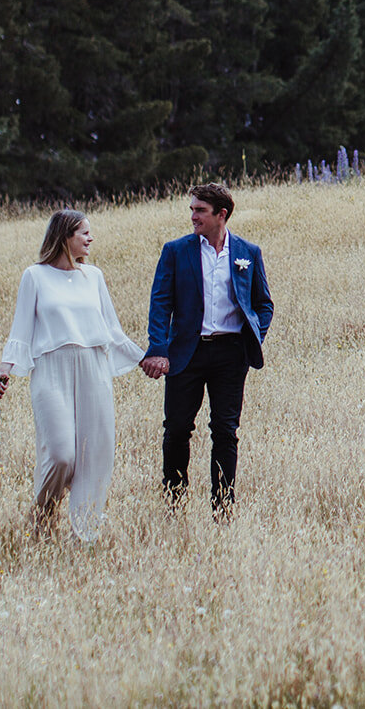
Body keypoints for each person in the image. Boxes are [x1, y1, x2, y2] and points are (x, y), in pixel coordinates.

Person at [0, 209, 146, 541]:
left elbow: (112, 331)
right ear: (64, 236)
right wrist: (5, 368)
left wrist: (146, 359)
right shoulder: (34, 276)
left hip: (93, 368)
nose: (90, 238)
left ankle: (84, 534)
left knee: (93, 455)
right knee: (61, 454)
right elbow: (20, 329)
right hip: (51, 369)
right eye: (84, 233)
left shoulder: (95, 277)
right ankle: (42, 520)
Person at [139, 183, 273, 515]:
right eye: (192, 209)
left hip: (231, 355)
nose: (193, 216)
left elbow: (264, 304)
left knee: (226, 431)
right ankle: (174, 503)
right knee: (177, 429)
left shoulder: (247, 253)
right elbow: (160, 304)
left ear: (221, 214)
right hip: (187, 352)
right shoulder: (176, 250)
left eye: (200, 210)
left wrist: (252, 336)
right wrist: (158, 348)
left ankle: (223, 508)